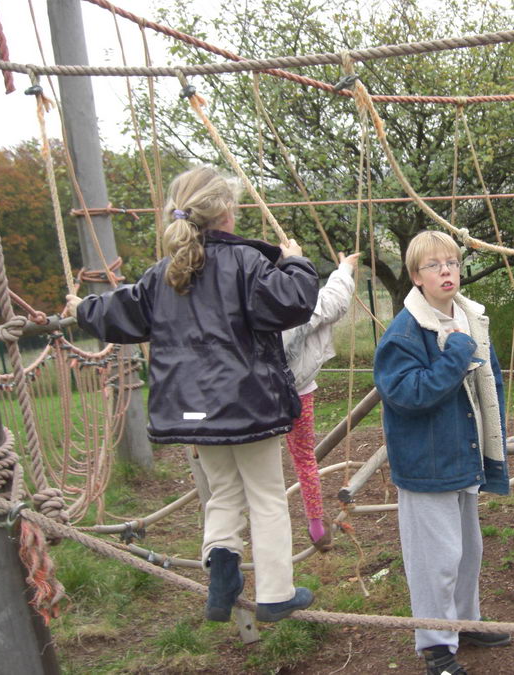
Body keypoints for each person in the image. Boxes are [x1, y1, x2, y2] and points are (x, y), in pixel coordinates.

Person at [65, 165, 319, 624]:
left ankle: (221, 575)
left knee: (222, 491)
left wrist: (82, 308)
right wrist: (295, 260)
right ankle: (277, 593)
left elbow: (120, 312)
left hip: (192, 410)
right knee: (265, 495)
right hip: (247, 405)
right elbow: (294, 303)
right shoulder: (247, 264)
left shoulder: (164, 274)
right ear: (227, 211)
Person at [373, 230, 511, 675]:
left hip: (463, 452)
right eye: (433, 265)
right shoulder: (406, 331)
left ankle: (463, 622)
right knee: (436, 558)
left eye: (450, 262)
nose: (446, 270)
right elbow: (406, 394)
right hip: (427, 461)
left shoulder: (469, 318)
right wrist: (453, 357)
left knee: (468, 551)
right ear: (416, 277)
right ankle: (435, 643)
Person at [282, 250, 359, 551]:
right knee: (304, 459)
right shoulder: (301, 305)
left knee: (258, 461)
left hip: (259, 392)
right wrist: (344, 269)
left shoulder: (254, 300)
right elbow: (334, 300)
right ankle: (316, 526)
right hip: (297, 390)